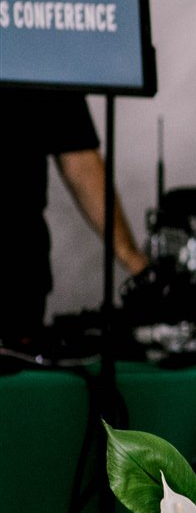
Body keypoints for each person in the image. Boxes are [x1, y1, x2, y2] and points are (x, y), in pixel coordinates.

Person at [0, 88, 147, 339]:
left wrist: (132, 258)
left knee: (18, 367)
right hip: (20, 270)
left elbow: (78, 156)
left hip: (16, 273)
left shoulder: (37, 55)